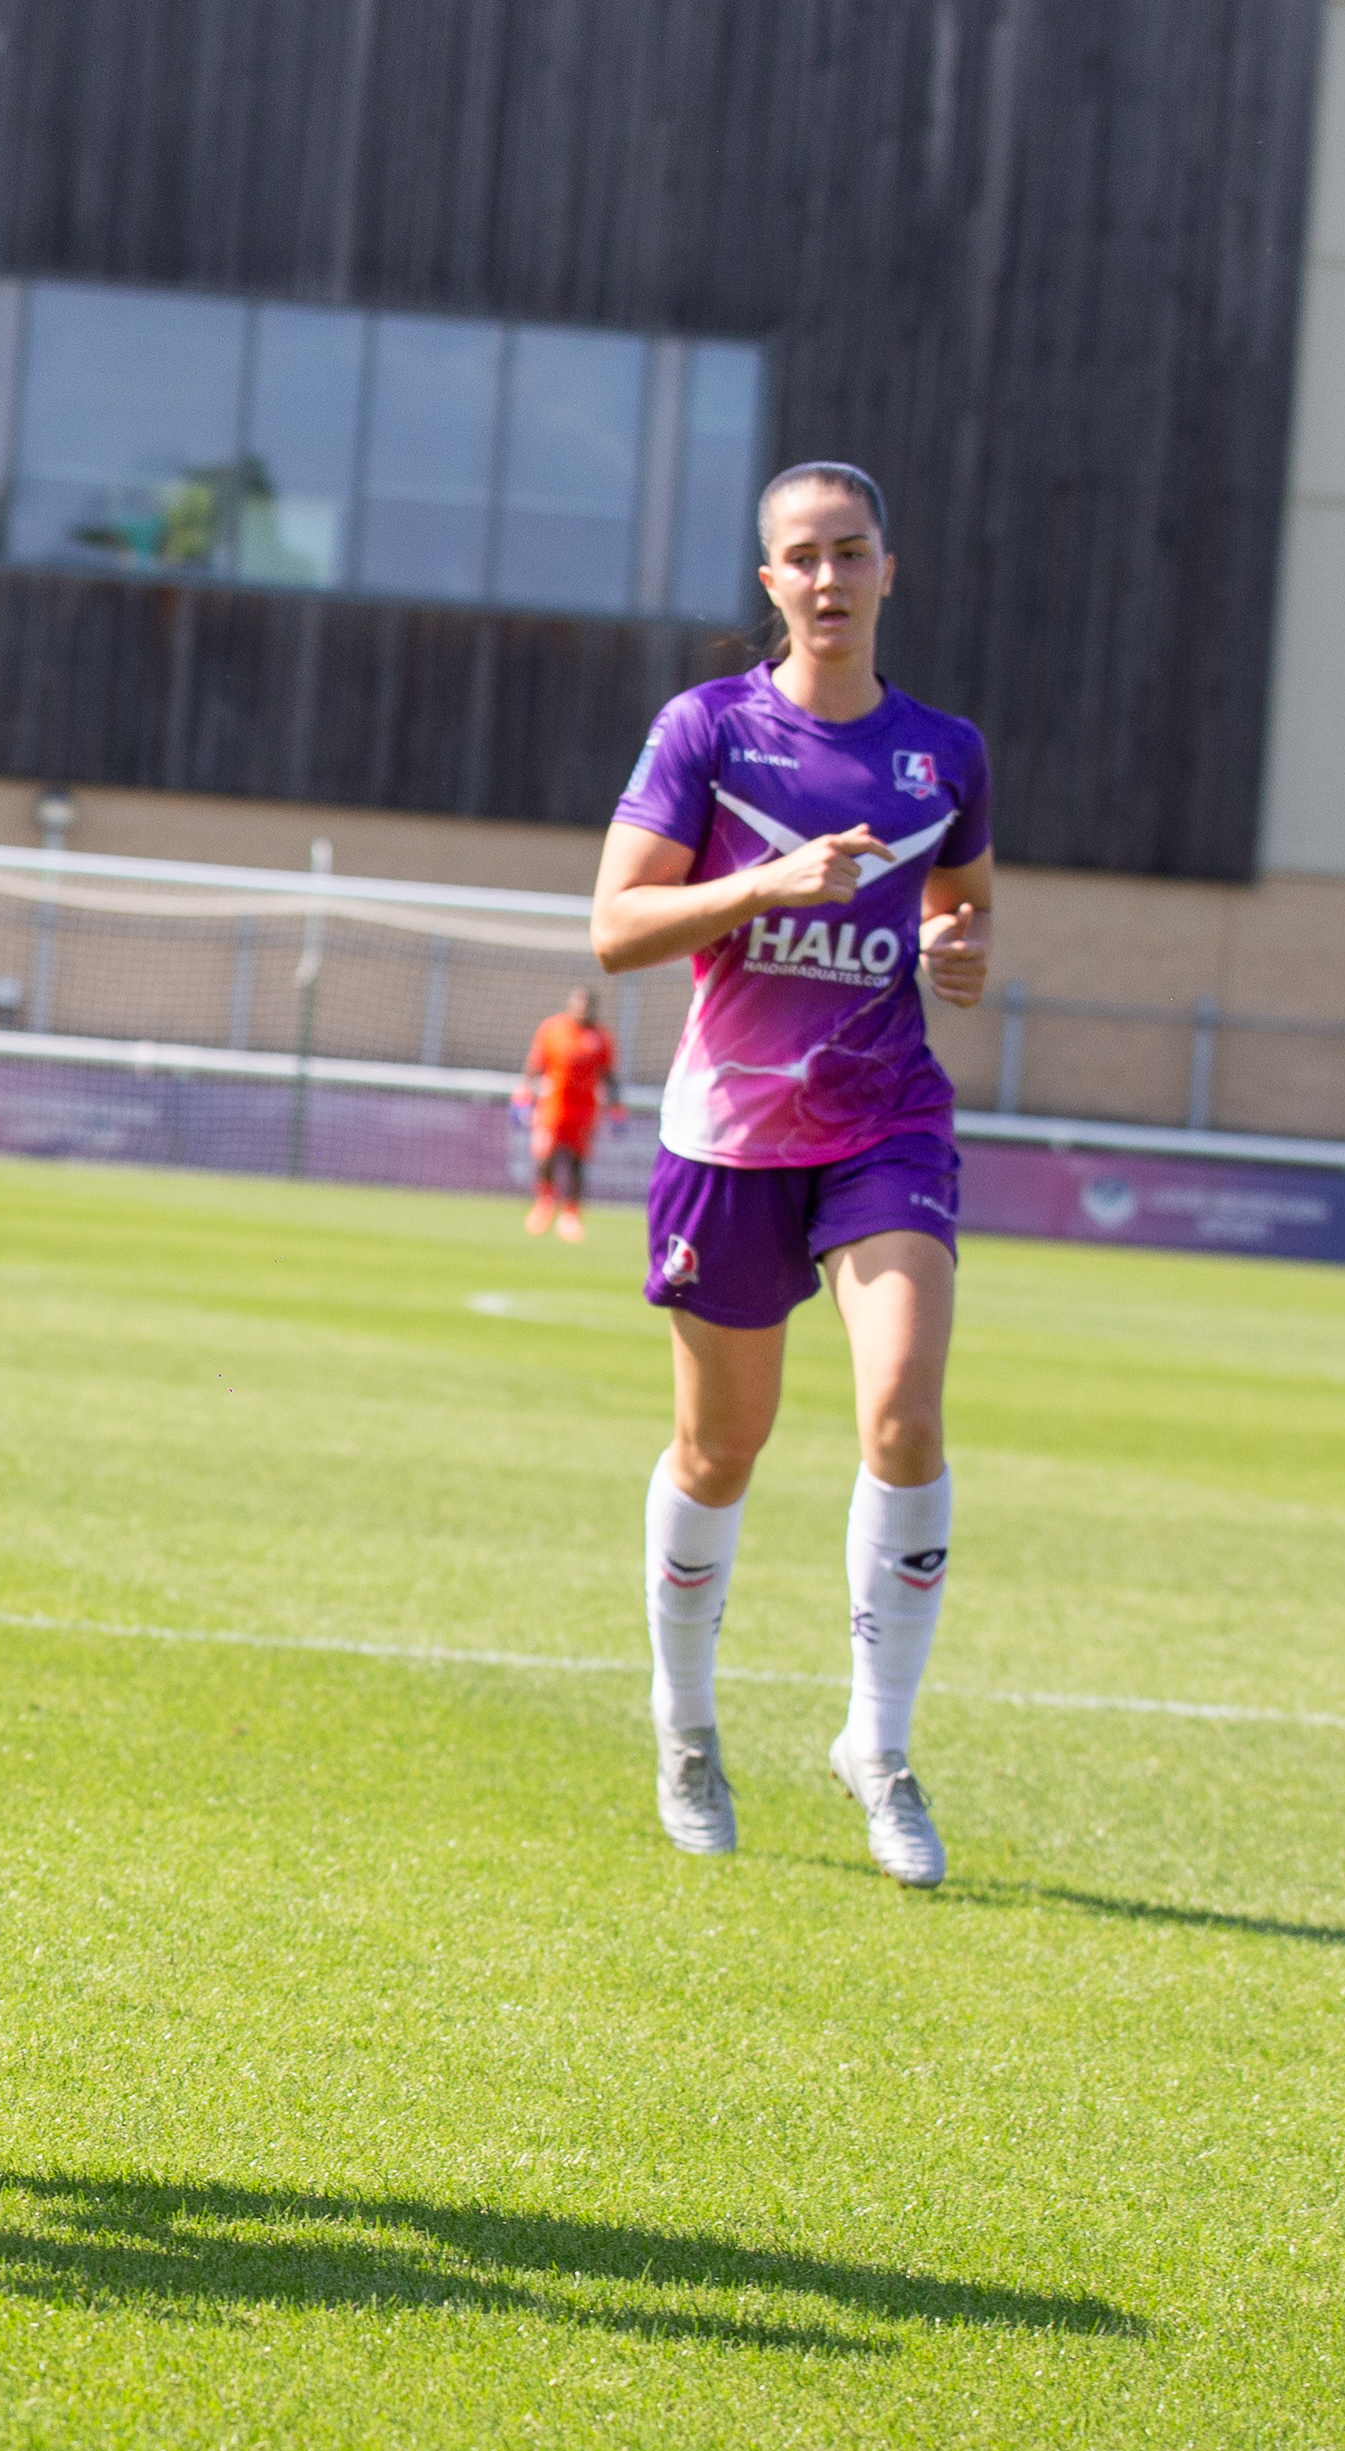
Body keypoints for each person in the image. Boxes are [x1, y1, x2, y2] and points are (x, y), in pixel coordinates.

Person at [591, 459, 994, 1889]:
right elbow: (617, 926)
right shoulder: (706, 731)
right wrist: (762, 883)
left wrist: (959, 959)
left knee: (902, 1403)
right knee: (724, 1448)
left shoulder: (944, 753)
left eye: (853, 552)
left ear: (891, 569)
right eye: (802, 557)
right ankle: (686, 1724)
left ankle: (877, 1747)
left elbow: (965, 921)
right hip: (731, 1142)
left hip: (888, 1122)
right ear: (771, 581)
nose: (830, 579)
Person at [512, 984, 621, 1238]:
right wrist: (522, 1096)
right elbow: (535, 1065)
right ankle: (544, 1204)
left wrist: (616, 1109)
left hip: (584, 1112)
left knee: (576, 1164)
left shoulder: (601, 1037)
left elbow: (609, 1076)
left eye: (586, 1005)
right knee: (545, 1157)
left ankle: (571, 1214)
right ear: (569, 1005)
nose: (582, 1009)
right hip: (553, 1108)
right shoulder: (552, 1029)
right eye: (577, 1004)